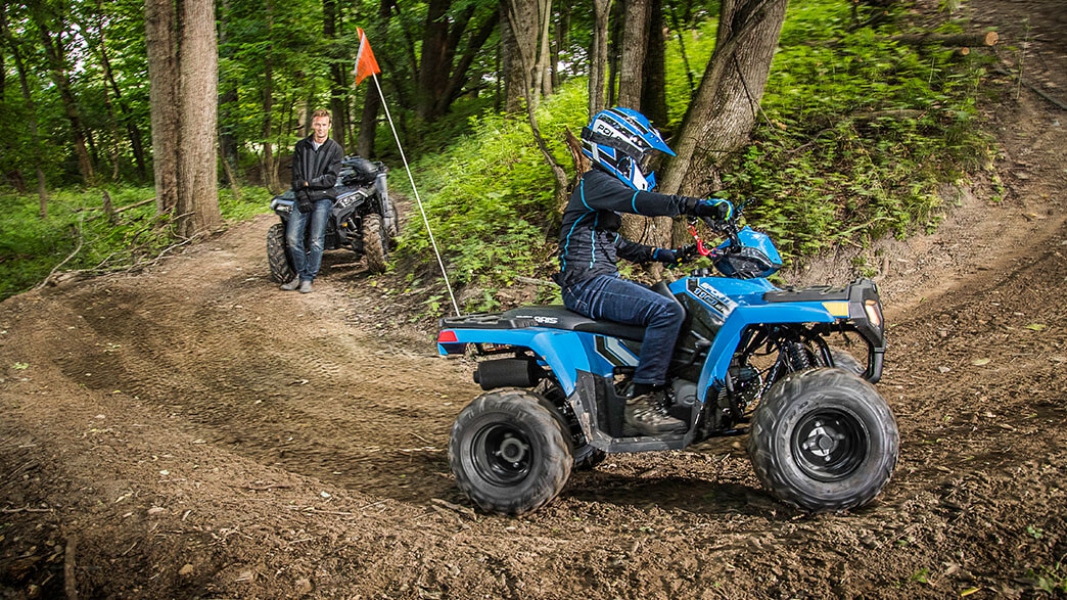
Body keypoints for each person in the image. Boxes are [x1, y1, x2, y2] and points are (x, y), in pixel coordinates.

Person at [556, 107, 733, 436]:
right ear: (617, 151)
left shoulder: (598, 191)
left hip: (597, 281)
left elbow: (616, 244)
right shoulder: (597, 183)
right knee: (666, 311)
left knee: (676, 298)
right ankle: (640, 402)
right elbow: (641, 202)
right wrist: (694, 205)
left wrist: (670, 255)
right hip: (586, 285)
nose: (643, 165)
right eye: (641, 157)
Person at [281, 109, 344, 294]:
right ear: (312, 125)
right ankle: (300, 275)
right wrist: (302, 196)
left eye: (324, 125)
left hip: (324, 198)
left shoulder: (335, 149)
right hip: (303, 197)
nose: (320, 128)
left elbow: (330, 179)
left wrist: (309, 183)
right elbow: (296, 177)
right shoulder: (302, 146)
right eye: (317, 124)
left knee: (316, 240)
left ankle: (308, 278)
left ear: (329, 126)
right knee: (292, 238)